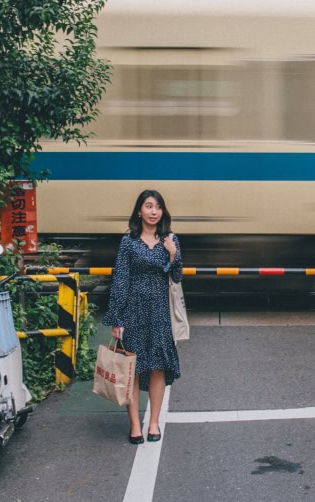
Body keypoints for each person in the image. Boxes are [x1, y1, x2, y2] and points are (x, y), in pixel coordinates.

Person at [103, 190, 182, 444]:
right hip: (133, 310)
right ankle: (135, 425)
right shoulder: (128, 242)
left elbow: (177, 277)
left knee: (157, 366)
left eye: (158, 207)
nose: (153, 211)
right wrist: (116, 318)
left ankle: (155, 423)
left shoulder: (170, 239)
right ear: (139, 211)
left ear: (163, 212)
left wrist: (173, 254)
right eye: (148, 206)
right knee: (133, 369)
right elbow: (121, 280)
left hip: (159, 311)